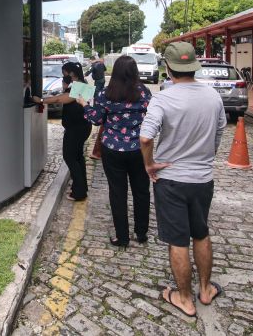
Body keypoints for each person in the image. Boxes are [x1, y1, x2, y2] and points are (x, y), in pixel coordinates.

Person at [139, 41, 226, 318]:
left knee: (178, 240)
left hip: (172, 179)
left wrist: (150, 164)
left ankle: (185, 298)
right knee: (201, 233)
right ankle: (205, 289)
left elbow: (145, 137)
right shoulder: (213, 96)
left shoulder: (162, 98)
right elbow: (220, 131)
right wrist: (206, 155)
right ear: (194, 66)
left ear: (168, 67)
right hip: (203, 179)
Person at [77, 55, 152, 247]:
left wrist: (84, 105)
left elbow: (96, 119)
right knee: (141, 190)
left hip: (112, 149)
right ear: (135, 72)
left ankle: (122, 236)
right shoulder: (144, 92)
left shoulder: (105, 94)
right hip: (139, 149)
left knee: (118, 192)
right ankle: (141, 232)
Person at [33, 62, 91, 201]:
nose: (63, 76)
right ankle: (82, 186)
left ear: (71, 73)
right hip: (82, 126)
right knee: (77, 157)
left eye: (64, 73)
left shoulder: (80, 86)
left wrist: (40, 100)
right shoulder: (84, 84)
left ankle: (79, 192)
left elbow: (61, 99)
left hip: (76, 129)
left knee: (70, 157)